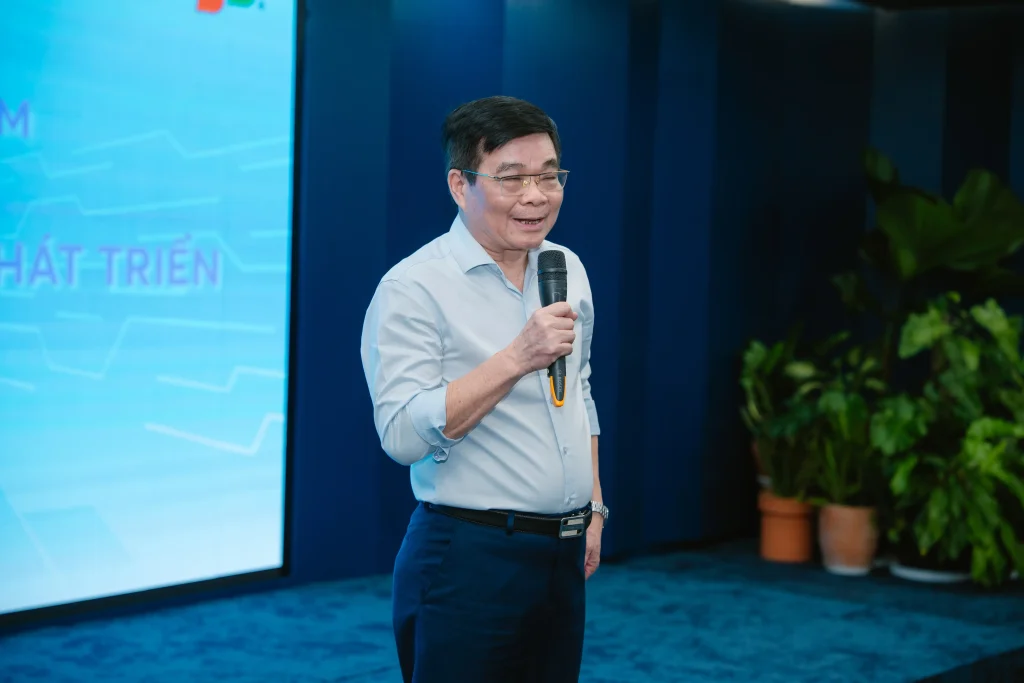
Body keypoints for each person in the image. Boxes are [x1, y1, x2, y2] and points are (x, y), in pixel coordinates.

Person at [360, 95, 609, 683]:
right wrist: (517, 358)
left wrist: (593, 507)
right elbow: (401, 436)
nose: (536, 196)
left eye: (550, 176)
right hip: (468, 558)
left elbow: (580, 392)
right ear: (460, 184)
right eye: (512, 178)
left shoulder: (567, 267)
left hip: (562, 553)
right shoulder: (414, 287)